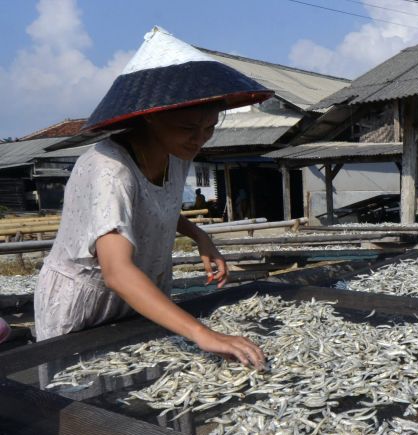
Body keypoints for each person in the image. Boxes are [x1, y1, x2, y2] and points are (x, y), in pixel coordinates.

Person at [34, 27, 272, 369]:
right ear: (149, 115)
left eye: (209, 128)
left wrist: (200, 236)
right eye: (188, 128)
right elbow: (115, 270)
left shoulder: (176, 154)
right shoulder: (109, 169)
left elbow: (152, 205)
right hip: (89, 302)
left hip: (139, 293)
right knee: (83, 395)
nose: (199, 140)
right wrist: (203, 334)